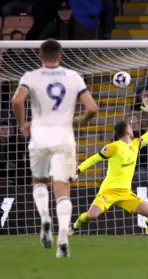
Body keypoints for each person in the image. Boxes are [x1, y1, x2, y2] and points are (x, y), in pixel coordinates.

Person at [11, 40, 98, 257]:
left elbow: (17, 100)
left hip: (39, 138)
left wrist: (22, 124)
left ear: (40, 57)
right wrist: (83, 120)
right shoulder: (73, 77)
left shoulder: (30, 77)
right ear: (60, 56)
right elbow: (92, 107)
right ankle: (62, 236)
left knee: (39, 181)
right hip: (64, 139)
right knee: (62, 189)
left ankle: (44, 218)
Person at [72, 98, 148, 239]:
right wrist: (78, 170)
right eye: (130, 127)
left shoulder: (136, 144)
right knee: (92, 215)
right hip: (108, 191)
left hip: (125, 192)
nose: (133, 128)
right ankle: (74, 227)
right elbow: (95, 158)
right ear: (126, 131)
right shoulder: (114, 146)